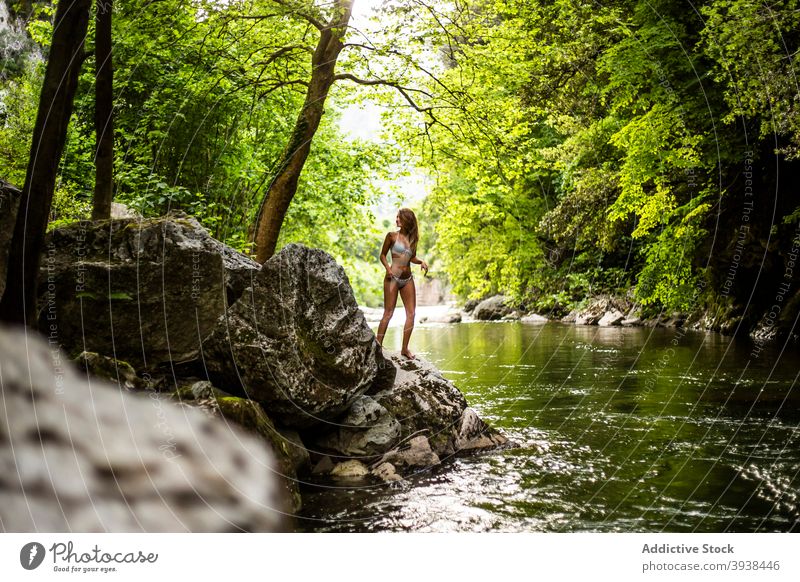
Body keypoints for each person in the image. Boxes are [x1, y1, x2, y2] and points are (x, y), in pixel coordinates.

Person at [376, 208, 429, 359]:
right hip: (392, 278)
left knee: (411, 314)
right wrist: (387, 269)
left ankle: (405, 349)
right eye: (396, 217)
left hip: (407, 279)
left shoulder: (413, 239)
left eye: (399, 218)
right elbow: (383, 255)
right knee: (388, 313)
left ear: (407, 220)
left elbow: (411, 257)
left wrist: (421, 261)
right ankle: (377, 345)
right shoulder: (391, 236)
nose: (396, 220)